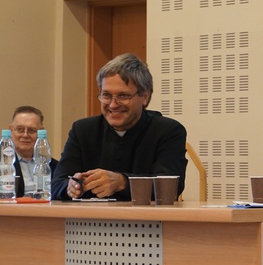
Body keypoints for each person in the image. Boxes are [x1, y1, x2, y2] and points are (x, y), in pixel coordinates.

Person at [51, 53, 188, 201]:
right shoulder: (82, 130)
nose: (113, 105)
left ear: (145, 97)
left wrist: (122, 182)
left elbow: (169, 187)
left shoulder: (168, 131)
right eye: (106, 95)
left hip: (149, 221)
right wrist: (71, 187)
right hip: (89, 221)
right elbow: (57, 184)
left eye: (123, 96)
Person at [9, 106, 59, 197]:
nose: (25, 135)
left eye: (31, 130)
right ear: (11, 131)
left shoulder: (54, 167)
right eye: (20, 129)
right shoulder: (3, 165)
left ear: (41, 132)